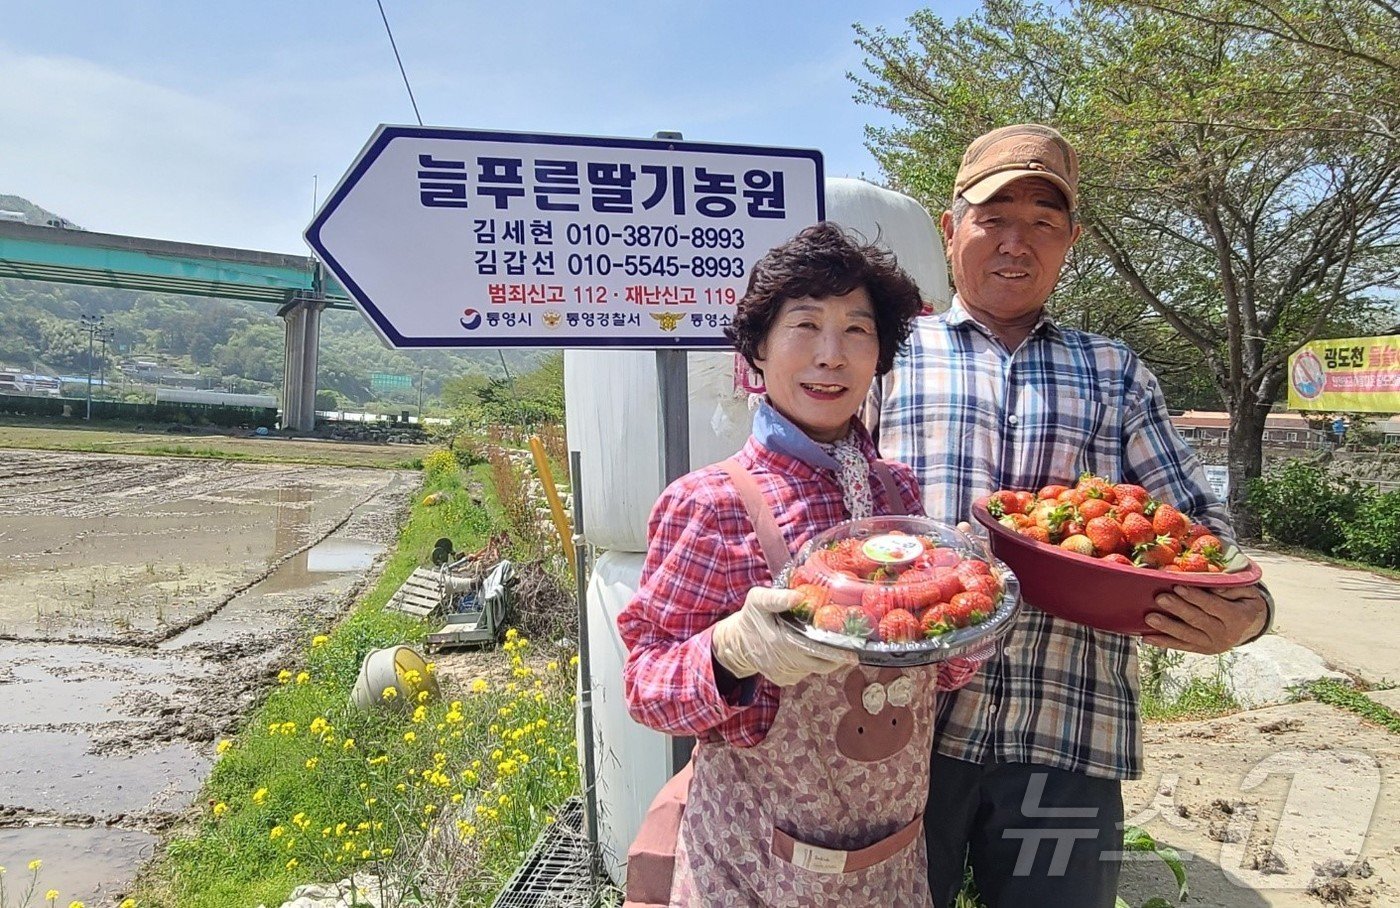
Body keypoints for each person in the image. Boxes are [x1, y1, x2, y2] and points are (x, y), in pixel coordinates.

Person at [866, 123, 1274, 908]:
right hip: (900, 733)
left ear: (1071, 242)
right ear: (951, 231)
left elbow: (1198, 529)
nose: (1017, 242)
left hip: (1066, 733)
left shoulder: (1115, 371)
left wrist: (1246, 612)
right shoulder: (888, 354)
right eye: (994, 217)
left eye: (1044, 223)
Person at [618, 222, 985, 906]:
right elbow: (645, 686)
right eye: (805, 325)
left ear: (880, 354)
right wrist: (730, 651)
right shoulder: (710, 503)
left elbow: (937, 672)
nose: (831, 356)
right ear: (756, 349)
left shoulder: (896, 494)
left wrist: (969, 622)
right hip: (755, 869)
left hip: (893, 863)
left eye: (856, 330)